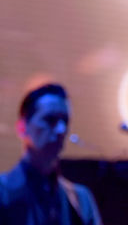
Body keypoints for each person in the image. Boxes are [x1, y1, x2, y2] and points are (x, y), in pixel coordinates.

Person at [0, 84, 103, 225]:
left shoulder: (81, 199)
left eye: (65, 121)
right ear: (22, 127)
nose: (61, 129)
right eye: (50, 120)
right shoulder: (3, 192)